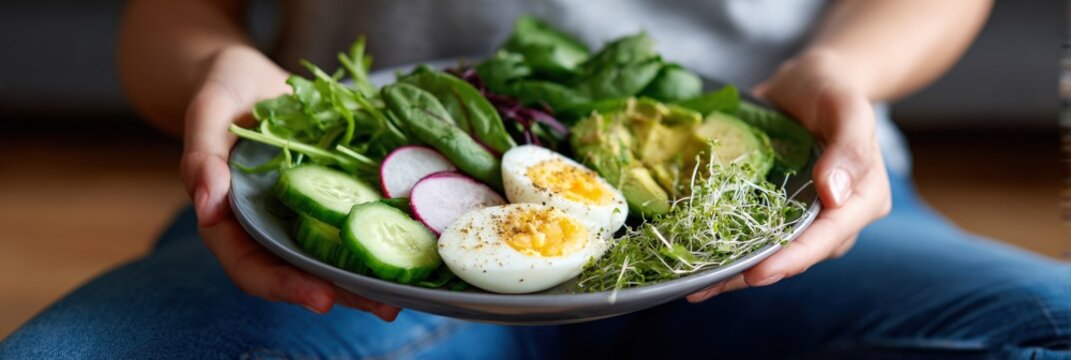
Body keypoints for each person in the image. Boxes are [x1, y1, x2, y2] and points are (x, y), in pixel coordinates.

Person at [3, 0, 1069, 358]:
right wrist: (210, 69)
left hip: (793, 229)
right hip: (359, 255)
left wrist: (847, 68)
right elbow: (171, 17)